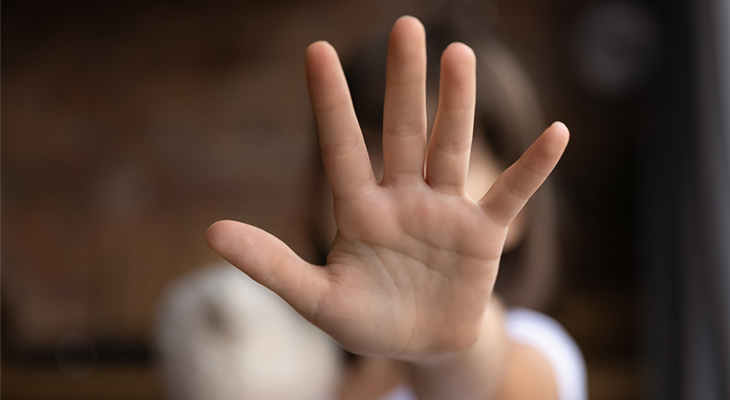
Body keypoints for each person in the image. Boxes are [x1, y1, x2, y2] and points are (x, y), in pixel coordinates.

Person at [167, 15, 585, 400]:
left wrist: (442, 351)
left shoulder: (537, 348)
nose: (398, 192)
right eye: (370, 153)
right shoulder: (314, 367)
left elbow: (487, 380)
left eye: (438, 162)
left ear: (519, 211)